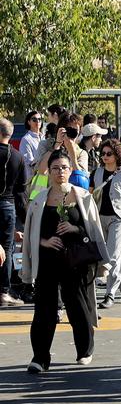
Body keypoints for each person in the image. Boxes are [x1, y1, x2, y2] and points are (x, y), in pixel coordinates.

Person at [22, 150, 109, 373]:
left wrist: (74, 228)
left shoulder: (83, 196)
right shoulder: (39, 199)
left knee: (77, 305)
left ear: (71, 170)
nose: (60, 172)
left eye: (64, 168)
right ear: (49, 172)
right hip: (48, 261)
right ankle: (40, 357)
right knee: (44, 309)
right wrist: (45, 241)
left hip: (76, 260)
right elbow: (31, 232)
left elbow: (92, 229)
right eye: (56, 168)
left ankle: (84, 349)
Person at [93, 140, 121, 309]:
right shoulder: (95, 173)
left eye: (109, 153)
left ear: (117, 155)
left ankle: (110, 293)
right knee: (109, 257)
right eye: (102, 153)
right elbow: (90, 195)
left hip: (119, 219)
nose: (105, 157)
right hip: (99, 218)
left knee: (113, 257)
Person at [1, 119, 28, 306]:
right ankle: (3, 291)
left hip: (7, 203)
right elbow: (21, 190)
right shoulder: (17, 157)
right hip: (7, 205)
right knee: (7, 247)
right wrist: (25, 216)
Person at [20, 111, 44, 184]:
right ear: (29, 122)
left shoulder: (45, 137)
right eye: (34, 119)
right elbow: (28, 161)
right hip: (33, 178)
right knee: (36, 195)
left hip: (46, 176)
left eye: (39, 119)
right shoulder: (26, 139)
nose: (37, 121)